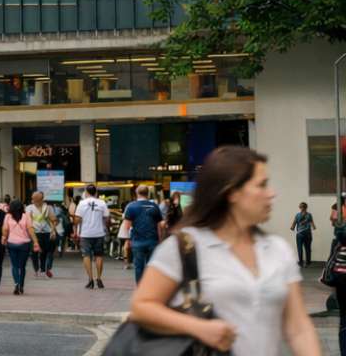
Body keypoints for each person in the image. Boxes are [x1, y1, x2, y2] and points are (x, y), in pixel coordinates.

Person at [128, 146, 320, 356]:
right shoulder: (184, 247)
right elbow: (141, 307)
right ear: (233, 193)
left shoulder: (278, 249)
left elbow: (298, 327)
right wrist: (198, 327)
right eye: (262, 185)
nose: (272, 193)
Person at [122, 184, 167, 285]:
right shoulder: (154, 206)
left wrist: (128, 240)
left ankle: (140, 289)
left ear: (137, 193)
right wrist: (159, 240)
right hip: (152, 241)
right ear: (148, 193)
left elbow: (127, 226)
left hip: (137, 241)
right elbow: (159, 225)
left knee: (139, 267)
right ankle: (150, 287)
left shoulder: (131, 206)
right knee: (151, 266)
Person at [76, 183, 110, 289]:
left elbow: (77, 219)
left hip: (85, 233)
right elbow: (107, 218)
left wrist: (80, 224)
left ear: (86, 192)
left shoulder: (82, 203)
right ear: (96, 192)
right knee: (99, 256)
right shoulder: (102, 203)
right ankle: (99, 278)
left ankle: (90, 279)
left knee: (86, 256)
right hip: (99, 233)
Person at [3, 198, 39, 295]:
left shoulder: (7, 216)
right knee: (22, 266)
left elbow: (5, 229)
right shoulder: (26, 216)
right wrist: (35, 242)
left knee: (14, 266)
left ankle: (16, 284)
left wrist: (4, 238)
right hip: (24, 244)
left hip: (11, 243)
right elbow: (30, 229)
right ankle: (21, 285)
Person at [29, 191, 57, 278]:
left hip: (46, 233)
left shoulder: (48, 208)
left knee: (44, 252)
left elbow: (54, 220)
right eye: (33, 198)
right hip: (35, 233)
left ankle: (43, 269)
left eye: (35, 198)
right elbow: (28, 222)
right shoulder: (29, 208)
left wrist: (52, 231)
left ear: (40, 199)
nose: (33, 200)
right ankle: (36, 269)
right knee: (34, 252)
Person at [291, 202, 315, 268]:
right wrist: (313, 227)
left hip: (302, 234)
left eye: (302, 207)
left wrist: (292, 227)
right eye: (301, 207)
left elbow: (294, 224)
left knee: (303, 248)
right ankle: (305, 262)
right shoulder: (307, 215)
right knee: (305, 248)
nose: (301, 208)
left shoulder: (300, 215)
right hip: (305, 234)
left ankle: (303, 262)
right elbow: (294, 223)